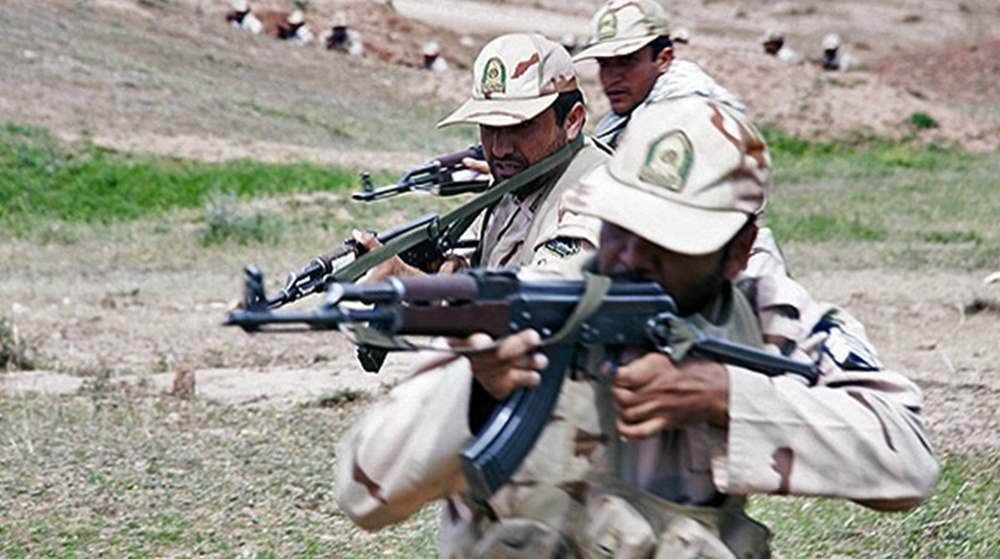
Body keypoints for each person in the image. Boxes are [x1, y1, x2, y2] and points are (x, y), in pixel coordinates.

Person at [336, 96, 939, 557]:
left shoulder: (768, 315)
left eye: (667, 243)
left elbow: (908, 457)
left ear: (738, 251)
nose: (628, 257)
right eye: (621, 225)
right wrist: (478, 393)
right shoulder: (533, 300)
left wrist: (728, 397)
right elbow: (363, 491)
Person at [354, 33, 610, 281]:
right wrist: (455, 266)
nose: (499, 149)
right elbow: (483, 252)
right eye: (488, 128)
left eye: (520, 127)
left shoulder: (593, 197)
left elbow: (538, 302)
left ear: (572, 121)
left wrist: (409, 281)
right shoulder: (518, 179)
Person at [571, 0, 744, 148]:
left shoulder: (690, 115)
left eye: (626, 61)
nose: (611, 77)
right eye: (603, 64)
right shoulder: (633, 112)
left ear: (663, 60)